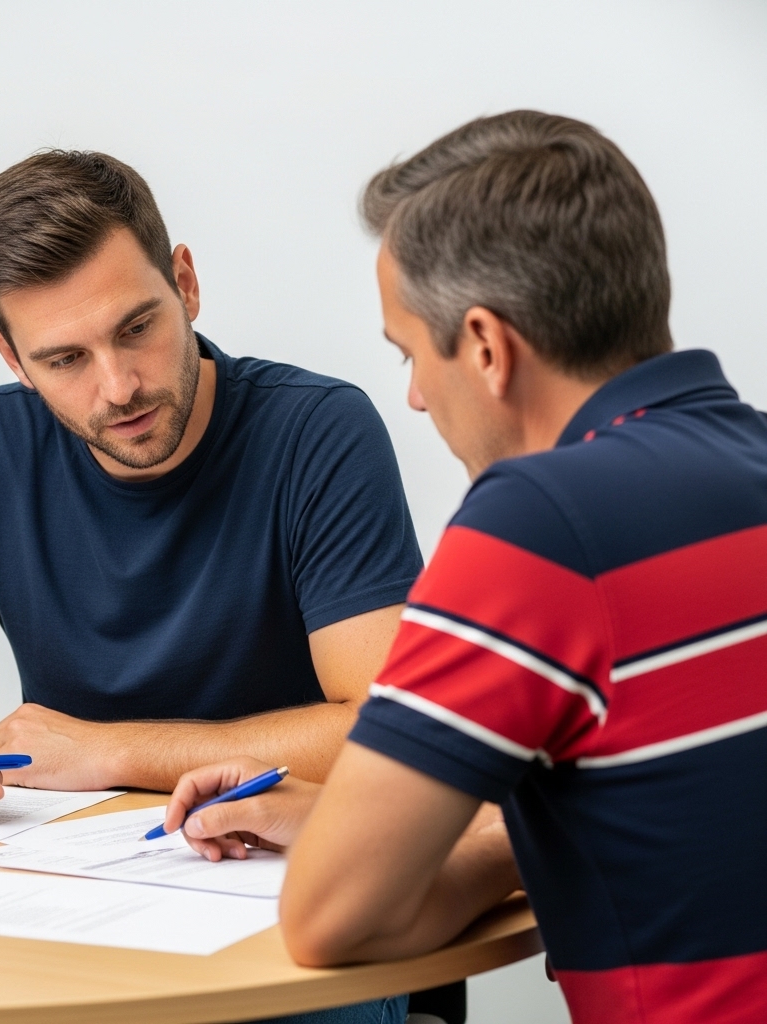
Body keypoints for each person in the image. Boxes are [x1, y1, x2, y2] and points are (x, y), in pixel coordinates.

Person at [160, 110, 767, 1024]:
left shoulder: (540, 526)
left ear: (485, 345)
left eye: (411, 352)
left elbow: (329, 919)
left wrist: (488, 839)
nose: (412, 395)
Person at [0, 150, 422, 834]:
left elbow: (387, 728)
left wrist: (112, 751)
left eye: (137, 329)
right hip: (62, 866)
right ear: (12, 358)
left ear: (184, 284)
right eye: (66, 359)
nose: (119, 387)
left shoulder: (316, 431)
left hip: (266, 857)